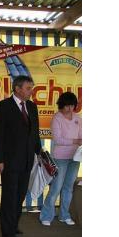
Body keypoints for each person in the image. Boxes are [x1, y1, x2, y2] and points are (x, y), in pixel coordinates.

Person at [0, 76, 42, 237]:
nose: (31, 91)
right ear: (17, 89)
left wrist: (39, 152)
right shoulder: (3, 107)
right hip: (9, 161)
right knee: (10, 196)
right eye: (28, 88)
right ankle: (8, 231)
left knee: (20, 195)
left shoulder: (32, 107)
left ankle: (14, 225)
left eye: (31, 88)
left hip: (27, 160)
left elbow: (35, 133)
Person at [40, 92, 82, 226]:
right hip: (60, 157)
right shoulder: (57, 118)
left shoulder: (78, 118)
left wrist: (80, 141)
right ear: (61, 105)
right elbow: (58, 139)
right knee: (56, 187)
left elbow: (82, 135)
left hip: (75, 157)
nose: (70, 109)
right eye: (67, 106)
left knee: (68, 187)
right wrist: (76, 141)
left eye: (72, 106)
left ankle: (64, 215)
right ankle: (46, 216)